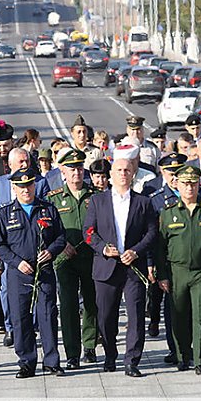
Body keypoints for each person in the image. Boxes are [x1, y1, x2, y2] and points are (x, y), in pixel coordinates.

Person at [82, 145, 159, 377]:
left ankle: (132, 360)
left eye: (127, 170)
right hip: (106, 266)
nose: (123, 174)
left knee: (135, 314)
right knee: (106, 316)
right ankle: (110, 354)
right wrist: (103, 248)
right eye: (119, 170)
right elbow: (88, 231)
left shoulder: (143, 203)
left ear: (133, 174)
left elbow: (152, 232)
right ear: (111, 175)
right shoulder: (97, 201)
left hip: (133, 267)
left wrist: (136, 251)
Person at [0, 167, 67, 378]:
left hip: (43, 271)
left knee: (48, 315)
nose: (26, 190)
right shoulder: (5, 213)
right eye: (21, 186)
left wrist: (51, 252)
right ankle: (26, 362)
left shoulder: (47, 209)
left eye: (29, 185)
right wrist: (16, 262)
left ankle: (52, 361)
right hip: (19, 273)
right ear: (13, 188)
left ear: (34, 185)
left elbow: (60, 237)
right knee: (20, 318)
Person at [154, 165, 201, 375]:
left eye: (194, 184)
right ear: (177, 184)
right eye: (185, 184)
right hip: (177, 272)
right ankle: (182, 355)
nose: (189, 188)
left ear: (199, 185)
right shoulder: (168, 214)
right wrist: (163, 275)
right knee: (178, 316)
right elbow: (161, 248)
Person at [0, 148, 50, 347]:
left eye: (27, 161)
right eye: (21, 161)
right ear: (11, 164)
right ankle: (11, 327)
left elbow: (47, 214)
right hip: (10, 249)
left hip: (34, 247)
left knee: (36, 290)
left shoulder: (39, 183)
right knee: (7, 289)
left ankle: (32, 326)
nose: (25, 164)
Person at [47, 149, 101, 369]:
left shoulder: (95, 195)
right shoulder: (54, 198)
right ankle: (72, 353)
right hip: (65, 259)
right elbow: (49, 228)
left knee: (91, 302)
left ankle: (89, 346)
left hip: (91, 257)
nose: (76, 173)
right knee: (68, 306)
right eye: (72, 169)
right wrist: (61, 245)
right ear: (63, 172)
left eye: (79, 168)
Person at [147, 153, 189, 364]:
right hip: (166, 260)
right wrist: (150, 263)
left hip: (191, 261)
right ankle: (176, 350)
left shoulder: (196, 194)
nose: (175, 177)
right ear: (162, 173)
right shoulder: (155, 198)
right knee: (171, 307)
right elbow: (151, 235)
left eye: (179, 172)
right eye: (171, 173)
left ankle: (189, 347)